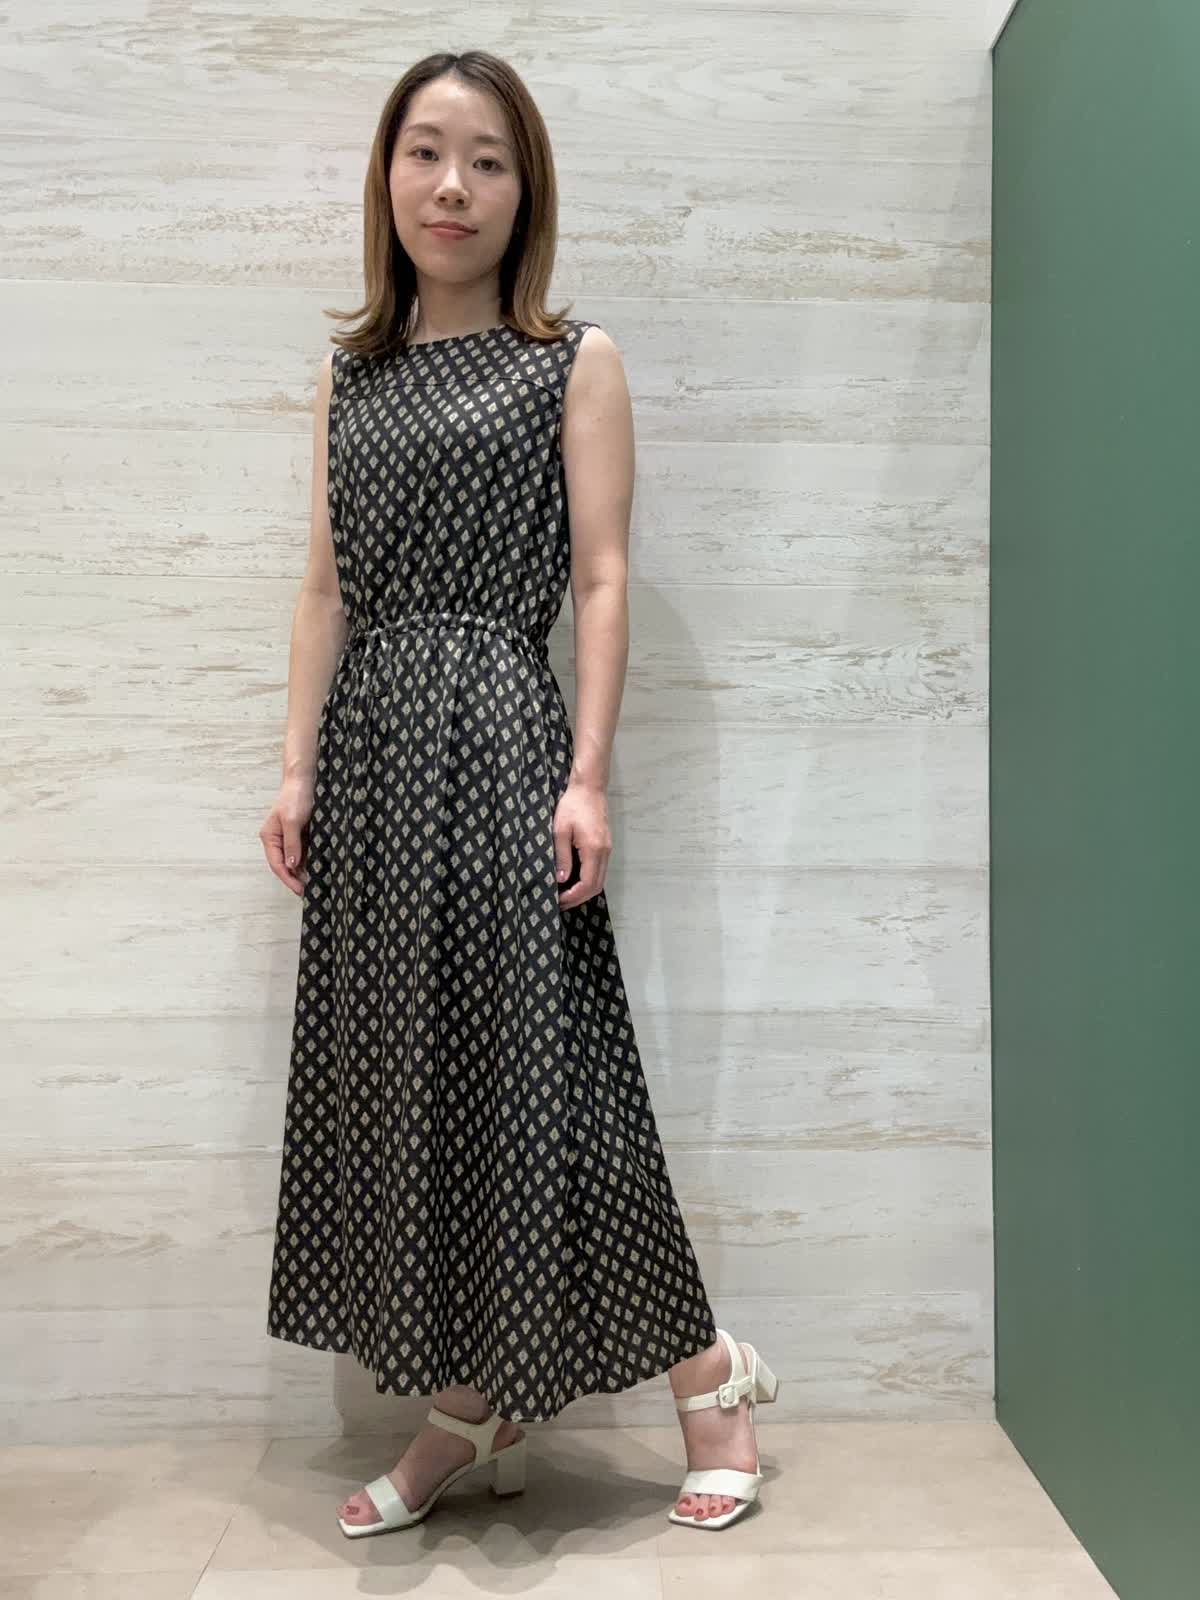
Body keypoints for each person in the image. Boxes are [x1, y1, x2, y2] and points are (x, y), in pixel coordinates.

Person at [259, 48, 779, 1536]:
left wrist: (587, 777)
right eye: (426, 152)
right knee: (409, 1080)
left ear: (523, 191)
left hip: (498, 737)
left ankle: (709, 1377)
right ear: (386, 176)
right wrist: (295, 765)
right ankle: (468, 1409)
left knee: (558, 1078)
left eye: (487, 160)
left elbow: (602, 582)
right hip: (371, 757)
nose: (453, 186)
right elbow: (324, 588)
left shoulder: (572, 359)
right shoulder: (351, 375)